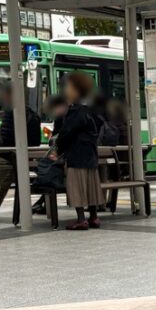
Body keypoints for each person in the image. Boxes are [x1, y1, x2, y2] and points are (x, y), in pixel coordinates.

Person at [0, 86, 40, 222]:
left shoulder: (12, 113)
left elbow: (6, 136)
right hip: (23, 157)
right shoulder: (33, 114)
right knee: (4, 183)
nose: (2, 97)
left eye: (4, 94)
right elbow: (36, 141)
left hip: (8, 155)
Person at [55, 72, 103, 230]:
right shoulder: (91, 108)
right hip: (90, 154)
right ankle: (94, 217)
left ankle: (81, 219)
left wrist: (58, 148)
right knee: (91, 186)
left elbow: (66, 133)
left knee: (76, 186)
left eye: (68, 87)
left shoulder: (75, 111)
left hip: (76, 155)